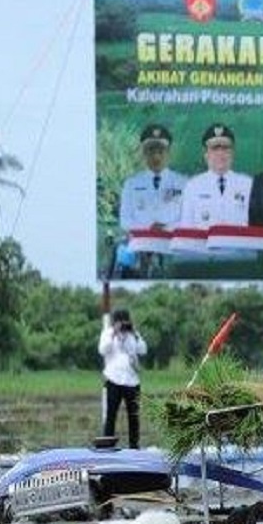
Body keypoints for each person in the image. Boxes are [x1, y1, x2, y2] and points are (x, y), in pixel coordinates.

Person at [118, 124, 187, 275]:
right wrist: (149, 228)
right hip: (141, 248)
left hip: (173, 248)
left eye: (160, 150)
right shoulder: (131, 184)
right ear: (143, 153)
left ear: (168, 152)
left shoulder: (183, 183)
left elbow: (188, 218)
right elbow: (125, 220)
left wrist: (166, 228)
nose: (156, 156)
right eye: (151, 150)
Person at [179, 123, 253, 231]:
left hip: (237, 247)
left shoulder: (248, 184)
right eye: (215, 148)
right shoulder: (193, 186)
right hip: (203, 247)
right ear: (206, 154)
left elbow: (255, 226)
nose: (220, 153)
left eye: (225, 148)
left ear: (232, 153)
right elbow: (187, 228)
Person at [99, 307, 147, 448]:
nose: (123, 325)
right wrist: (114, 333)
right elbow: (102, 350)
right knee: (111, 415)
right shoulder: (108, 333)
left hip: (132, 381)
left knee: (134, 417)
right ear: (115, 322)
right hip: (113, 379)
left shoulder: (134, 334)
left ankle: (134, 446)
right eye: (120, 322)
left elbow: (143, 350)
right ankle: (107, 446)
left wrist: (135, 335)